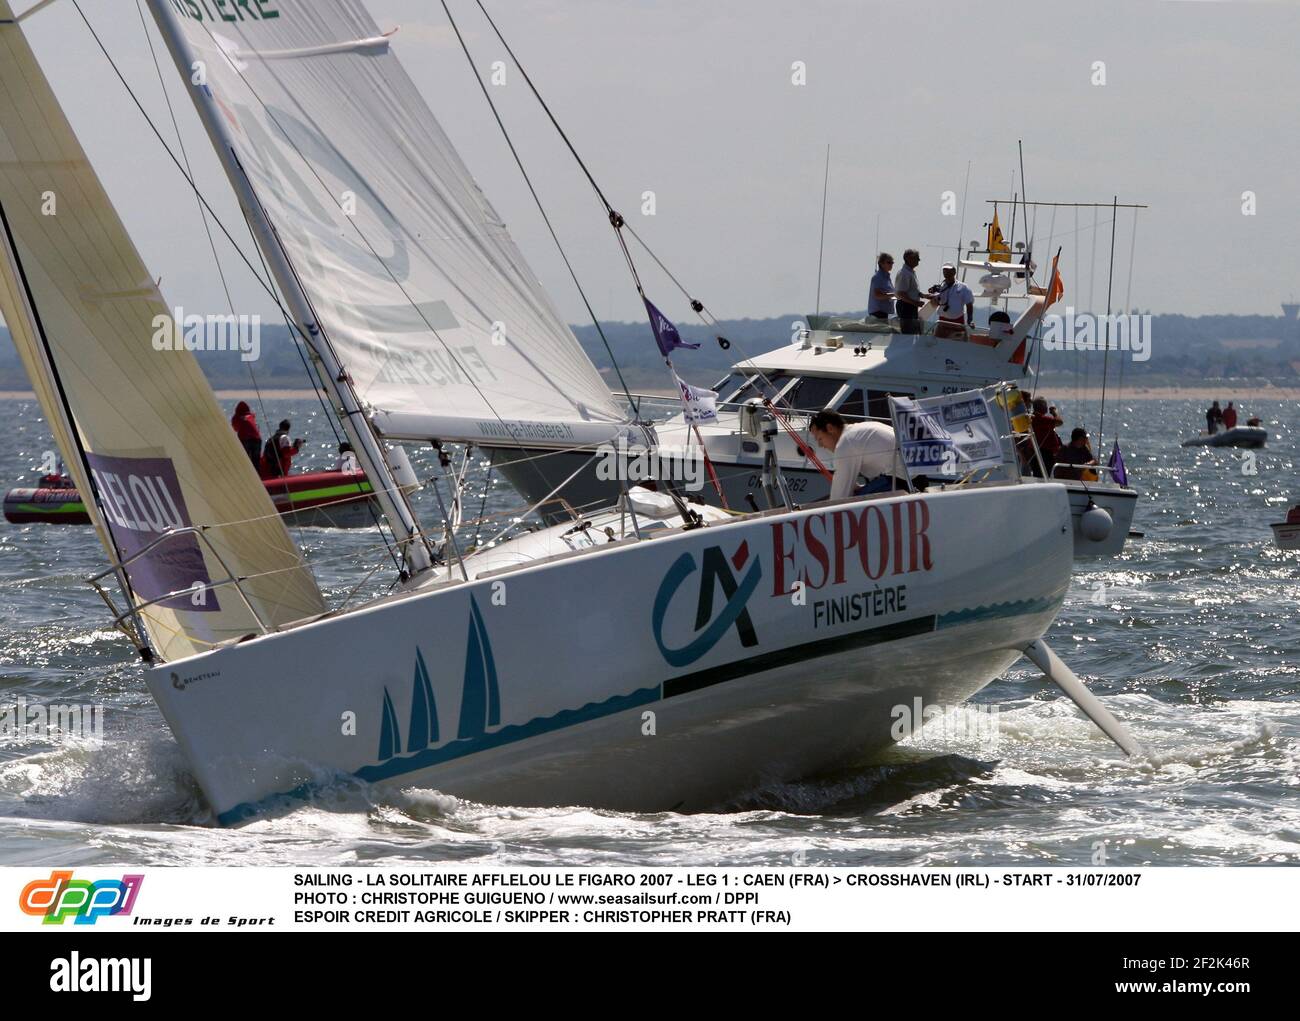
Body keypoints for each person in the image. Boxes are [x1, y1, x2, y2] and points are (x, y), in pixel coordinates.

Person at [808, 408, 904, 499]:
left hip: (899, 481)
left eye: (820, 439)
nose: (820, 445)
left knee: (852, 501)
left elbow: (839, 497)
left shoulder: (845, 443)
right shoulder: (857, 431)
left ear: (830, 428)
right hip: (910, 476)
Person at [930, 263, 974, 339]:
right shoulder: (940, 287)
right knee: (937, 345)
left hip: (957, 321)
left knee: (959, 346)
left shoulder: (963, 287)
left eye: (948, 270)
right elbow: (935, 302)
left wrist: (969, 320)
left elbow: (969, 304)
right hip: (942, 321)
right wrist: (931, 293)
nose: (946, 272)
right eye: (944, 270)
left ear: (954, 271)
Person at [893, 248, 925, 334]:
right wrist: (916, 303)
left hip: (910, 306)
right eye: (916, 258)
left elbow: (912, 290)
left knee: (912, 331)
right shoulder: (905, 273)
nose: (919, 260)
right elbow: (901, 294)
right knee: (908, 334)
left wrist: (924, 295)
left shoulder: (910, 272)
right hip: (906, 307)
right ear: (908, 258)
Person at [1030, 397, 1064, 475]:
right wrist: (1054, 412)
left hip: (1038, 452)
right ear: (1041, 406)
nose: (1046, 407)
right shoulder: (1040, 418)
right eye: (1045, 405)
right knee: (1044, 474)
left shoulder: (1033, 418)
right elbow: (1059, 422)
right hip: (1044, 453)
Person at [230, 400, 261, 470]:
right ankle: (258, 477)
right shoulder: (251, 416)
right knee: (255, 461)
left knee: (244, 461)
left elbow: (235, 429)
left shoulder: (236, 417)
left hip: (245, 439)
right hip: (257, 439)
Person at [867, 252, 896, 321]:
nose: (891, 264)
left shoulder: (887, 277)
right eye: (889, 262)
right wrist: (894, 295)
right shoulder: (878, 277)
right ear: (881, 263)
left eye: (892, 263)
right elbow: (877, 295)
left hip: (885, 312)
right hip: (878, 313)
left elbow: (890, 295)